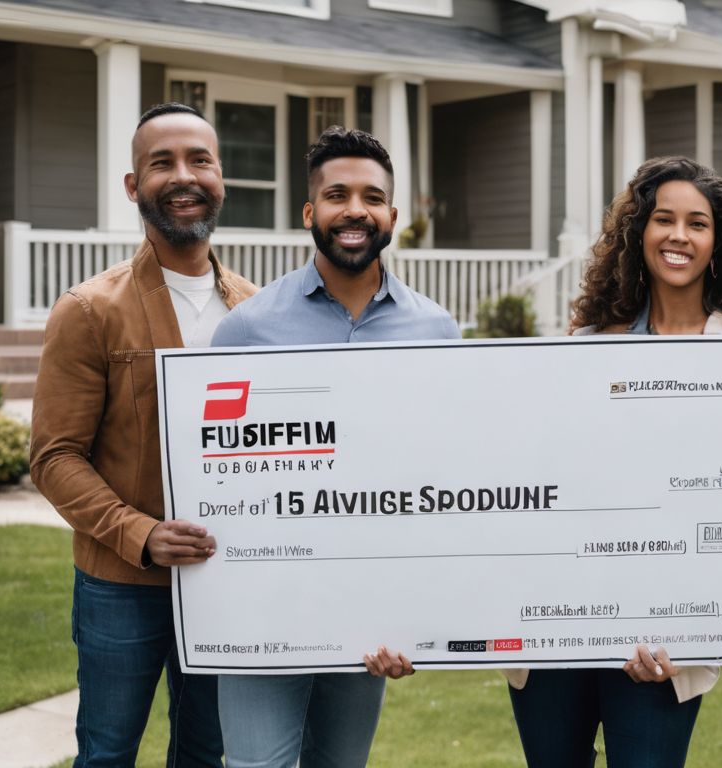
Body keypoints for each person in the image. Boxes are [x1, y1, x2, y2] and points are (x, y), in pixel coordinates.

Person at [505, 155, 722, 768]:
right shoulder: (585, 346)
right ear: (640, 233)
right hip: (558, 632)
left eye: (698, 223)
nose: (679, 235)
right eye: (663, 219)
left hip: (667, 643)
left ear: (719, 241)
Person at [209, 125, 458, 768]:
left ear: (392, 216)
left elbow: (448, 475)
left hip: (372, 609)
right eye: (337, 195)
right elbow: (214, 470)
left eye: (372, 197)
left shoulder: (435, 331)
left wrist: (418, 620)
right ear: (309, 212)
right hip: (263, 605)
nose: (355, 210)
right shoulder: (247, 328)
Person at [30, 102, 257, 767]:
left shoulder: (258, 310)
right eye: (162, 163)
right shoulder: (89, 311)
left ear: (221, 177)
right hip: (121, 584)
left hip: (224, 579)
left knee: (206, 753)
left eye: (199, 160)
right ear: (133, 186)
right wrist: (143, 534)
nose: (183, 176)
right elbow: (53, 458)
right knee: (106, 752)